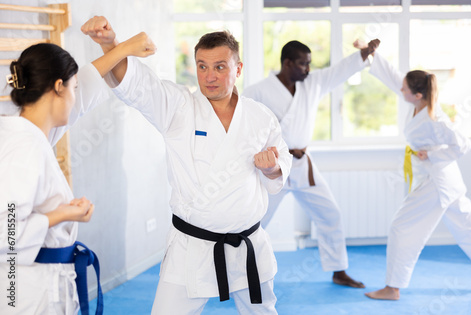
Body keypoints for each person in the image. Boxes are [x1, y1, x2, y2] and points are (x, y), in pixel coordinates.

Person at [81, 16, 292, 315]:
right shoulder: (178, 106)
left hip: (248, 245)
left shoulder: (261, 117)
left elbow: (281, 162)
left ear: (238, 69)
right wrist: (109, 43)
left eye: (219, 67)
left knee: (263, 312)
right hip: (192, 248)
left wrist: (271, 168)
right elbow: (139, 84)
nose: (209, 76)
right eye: (202, 66)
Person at [0, 35, 155, 314]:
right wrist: (64, 214)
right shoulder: (24, 147)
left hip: (34, 283)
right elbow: (6, 232)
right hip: (29, 293)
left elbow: (84, 89)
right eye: (72, 87)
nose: (75, 97)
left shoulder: (28, 133)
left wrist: (123, 49)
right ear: (58, 87)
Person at [359, 45, 471, 300]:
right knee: (470, 226)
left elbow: (464, 145)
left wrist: (432, 155)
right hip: (446, 181)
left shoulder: (435, 120)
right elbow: (395, 78)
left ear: (417, 94)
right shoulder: (418, 104)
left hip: (437, 181)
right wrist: (372, 55)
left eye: (405, 89)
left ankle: (392, 288)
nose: (400, 90)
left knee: (401, 227)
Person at [243, 39, 380, 288]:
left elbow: (338, 72)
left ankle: (339, 270)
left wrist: (362, 55)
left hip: (302, 163)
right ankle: (237, 273)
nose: (308, 69)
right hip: (273, 168)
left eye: (309, 64)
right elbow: (241, 124)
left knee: (330, 214)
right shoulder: (258, 91)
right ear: (287, 63)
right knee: (254, 220)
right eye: (303, 64)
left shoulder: (312, 84)